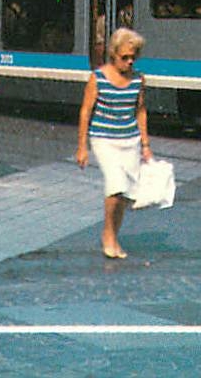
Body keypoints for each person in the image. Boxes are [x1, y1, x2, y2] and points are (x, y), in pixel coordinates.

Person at [75, 26, 152, 260]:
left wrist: (146, 145)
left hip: (130, 139)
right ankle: (108, 236)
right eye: (124, 57)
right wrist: (82, 146)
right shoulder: (97, 78)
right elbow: (86, 111)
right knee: (115, 185)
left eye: (133, 57)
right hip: (104, 139)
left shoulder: (138, 80)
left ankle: (113, 235)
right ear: (113, 54)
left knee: (126, 194)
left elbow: (140, 111)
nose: (129, 62)